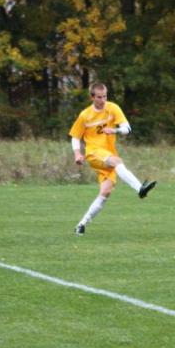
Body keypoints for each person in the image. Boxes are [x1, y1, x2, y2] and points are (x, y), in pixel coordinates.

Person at [69, 82, 156, 235]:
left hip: (109, 154)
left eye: (105, 96)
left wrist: (114, 130)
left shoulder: (113, 108)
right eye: (99, 97)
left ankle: (81, 225)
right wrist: (77, 153)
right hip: (93, 153)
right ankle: (139, 189)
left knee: (105, 192)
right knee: (118, 162)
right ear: (92, 97)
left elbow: (127, 129)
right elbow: (75, 137)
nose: (103, 100)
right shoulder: (85, 115)